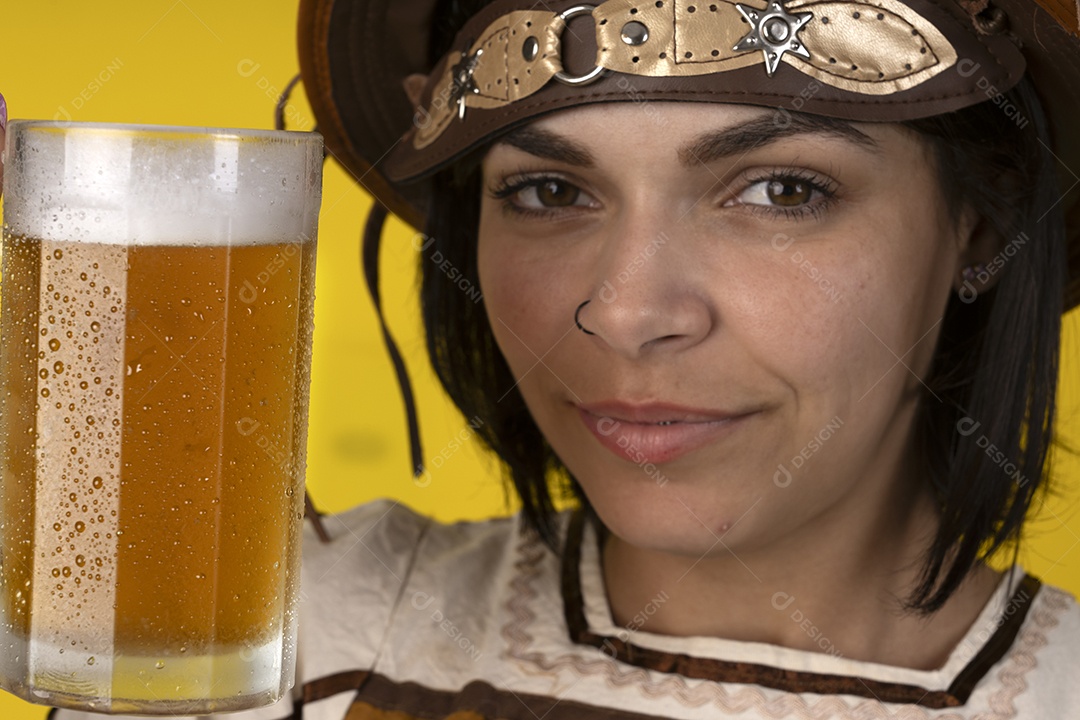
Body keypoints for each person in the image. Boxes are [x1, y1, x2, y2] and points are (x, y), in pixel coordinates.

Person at [51, 0, 1080, 717]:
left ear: (980, 228)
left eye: (782, 191)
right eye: (550, 192)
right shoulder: (249, 640)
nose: (624, 314)